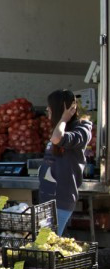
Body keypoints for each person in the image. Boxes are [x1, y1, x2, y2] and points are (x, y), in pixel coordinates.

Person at [39, 89, 92, 235]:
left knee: (46, 243)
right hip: (47, 198)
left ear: (60, 108)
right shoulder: (59, 128)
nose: (47, 110)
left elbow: (57, 139)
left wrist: (63, 118)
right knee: (47, 243)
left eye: (49, 108)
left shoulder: (82, 128)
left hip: (61, 198)